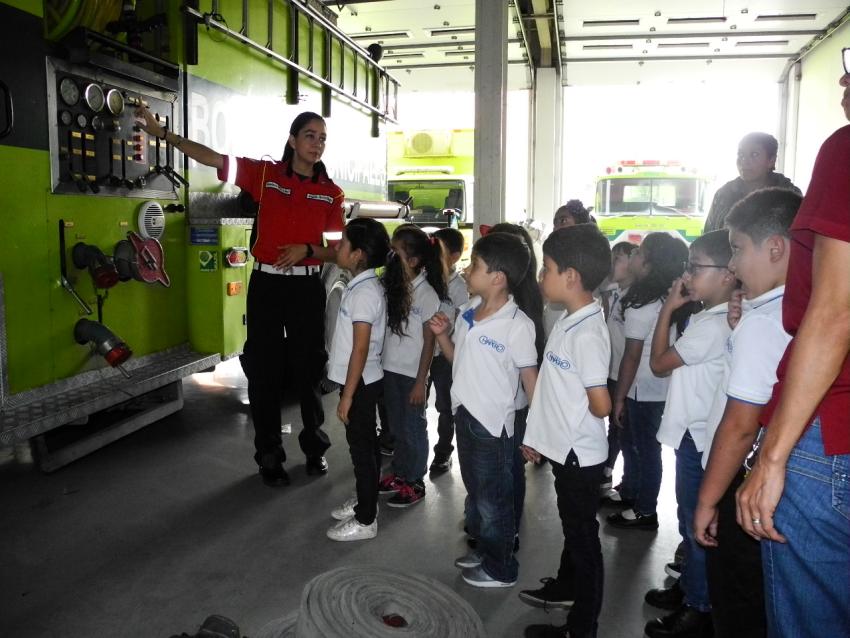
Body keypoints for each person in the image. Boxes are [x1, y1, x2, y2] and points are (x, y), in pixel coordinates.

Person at [134, 107, 343, 486]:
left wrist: (307, 250)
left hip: (306, 288)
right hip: (266, 286)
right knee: (264, 370)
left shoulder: (331, 194)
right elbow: (214, 158)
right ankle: (268, 456)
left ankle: (314, 449)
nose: (317, 144)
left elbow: (339, 251)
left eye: (323, 137)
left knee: (309, 370)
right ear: (293, 140)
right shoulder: (263, 176)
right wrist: (164, 135)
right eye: (310, 136)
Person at [734, 68, 850, 637]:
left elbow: (836, 312)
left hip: (834, 432)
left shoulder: (846, 149)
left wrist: (772, 457)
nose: (845, 78)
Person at [692, 188, 799, 637]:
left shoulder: (762, 322)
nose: (732, 265)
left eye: (737, 249)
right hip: (793, 480)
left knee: (740, 602)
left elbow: (738, 426)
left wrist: (706, 500)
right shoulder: (797, 307)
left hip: (752, 477)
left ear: (775, 247)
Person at [429, 233, 539, 588]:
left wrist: (537, 432)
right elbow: (458, 360)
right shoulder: (467, 313)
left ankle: (501, 568)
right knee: (477, 492)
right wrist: (444, 336)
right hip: (466, 416)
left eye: (475, 265)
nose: (467, 270)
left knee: (495, 499)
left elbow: (530, 380)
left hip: (494, 427)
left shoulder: (517, 325)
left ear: (498, 277)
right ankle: (485, 550)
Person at [518, 224, 612, 638]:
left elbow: (600, 404)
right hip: (565, 450)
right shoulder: (570, 317)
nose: (542, 278)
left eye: (547, 270)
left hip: (579, 455)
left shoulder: (588, 333)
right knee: (574, 529)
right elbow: (557, 392)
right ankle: (566, 588)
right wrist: (541, 437)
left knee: (583, 538)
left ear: (570, 277)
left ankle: (582, 627)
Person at [641, 230, 737, 638]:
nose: (688, 276)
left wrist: (667, 307)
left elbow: (659, 363)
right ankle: (689, 589)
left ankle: (698, 609)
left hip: (701, 441)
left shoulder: (713, 327)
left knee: (696, 529)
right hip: (692, 436)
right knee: (687, 522)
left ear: (728, 275)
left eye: (696, 267)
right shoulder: (706, 317)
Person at [325, 218, 410, 542]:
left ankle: (366, 519)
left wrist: (347, 395)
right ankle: (366, 499)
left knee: (362, 450)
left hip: (359, 382)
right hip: (361, 380)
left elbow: (360, 348)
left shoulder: (364, 294)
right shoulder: (363, 286)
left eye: (343, 243)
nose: (337, 248)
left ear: (358, 254)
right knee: (366, 446)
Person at [607, 233, 689, 530]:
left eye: (639, 253)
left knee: (644, 449)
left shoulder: (644, 303)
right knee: (635, 446)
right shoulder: (661, 297)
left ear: (651, 264)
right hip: (654, 388)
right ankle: (630, 491)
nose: (634, 257)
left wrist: (619, 397)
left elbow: (632, 356)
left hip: (644, 389)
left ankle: (644, 510)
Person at [377, 224, 445, 508]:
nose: (390, 256)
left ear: (414, 261)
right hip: (390, 370)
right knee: (396, 427)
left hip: (412, 375)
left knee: (413, 428)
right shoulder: (395, 287)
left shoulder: (427, 294)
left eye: (396, 251)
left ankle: (415, 481)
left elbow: (429, 343)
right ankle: (401, 473)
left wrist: (421, 381)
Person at [487, 223, 546, 549]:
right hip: (491, 404)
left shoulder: (522, 308)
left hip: (514, 403)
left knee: (509, 468)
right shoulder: (487, 305)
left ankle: (507, 529)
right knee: (493, 469)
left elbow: (529, 371)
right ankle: (488, 521)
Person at [428, 227, 469, 474]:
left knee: (445, 405)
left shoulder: (458, 287)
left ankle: (443, 451)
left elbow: (464, 321)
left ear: (453, 256)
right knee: (416, 402)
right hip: (422, 353)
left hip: (445, 355)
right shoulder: (425, 279)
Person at [702, 132, 801, 233]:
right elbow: (708, 238)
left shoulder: (790, 196)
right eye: (741, 154)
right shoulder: (724, 194)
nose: (744, 161)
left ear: (771, 160)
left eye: (754, 154)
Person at [600, 241, 637, 497]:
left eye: (619, 259)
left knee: (623, 428)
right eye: (613, 258)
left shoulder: (634, 299)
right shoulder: (613, 292)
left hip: (627, 375)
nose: (614, 264)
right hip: (611, 371)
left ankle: (619, 477)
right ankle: (607, 471)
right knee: (614, 426)